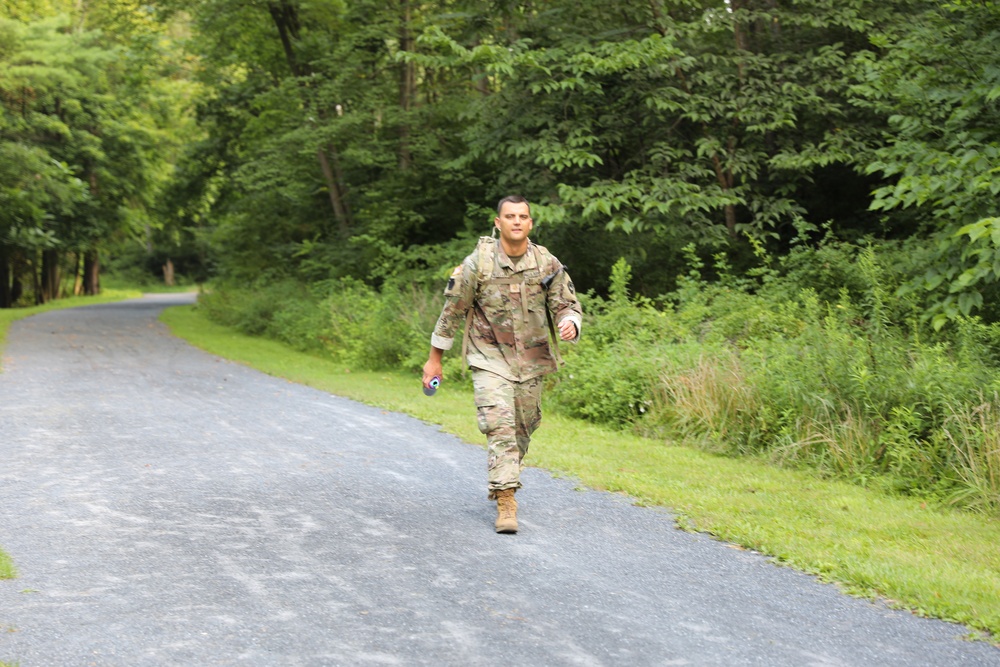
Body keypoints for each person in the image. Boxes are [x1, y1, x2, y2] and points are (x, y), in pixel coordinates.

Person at [422, 195, 582, 534]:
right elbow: (452, 312)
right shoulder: (478, 263)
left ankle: (505, 475)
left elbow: (566, 304)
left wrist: (571, 322)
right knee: (499, 425)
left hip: (533, 360)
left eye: (523, 216)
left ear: (531, 223)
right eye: (510, 216)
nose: (517, 221)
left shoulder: (545, 262)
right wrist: (435, 359)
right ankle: (506, 499)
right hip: (489, 357)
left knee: (524, 426)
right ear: (498, 223)